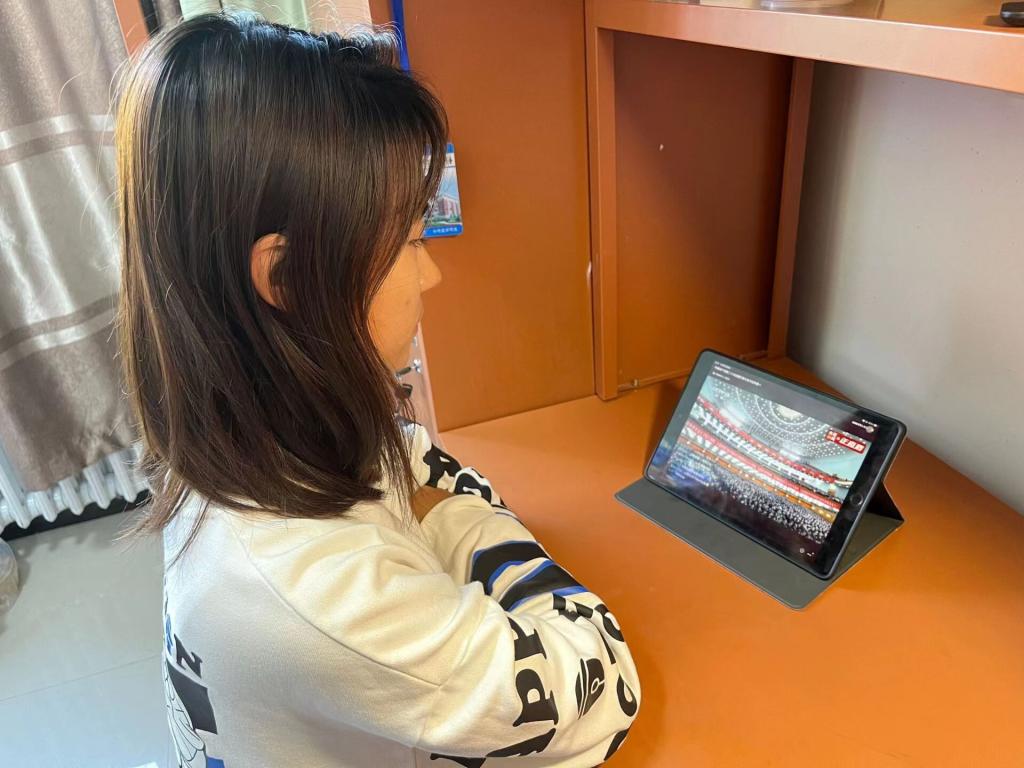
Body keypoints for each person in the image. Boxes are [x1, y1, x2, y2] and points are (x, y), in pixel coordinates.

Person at [116, 13, 640, 768]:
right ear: (288, 277)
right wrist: (459, 518)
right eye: (410, 241)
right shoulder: (323, 593)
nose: (432, 274)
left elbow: (408, 451)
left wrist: (428, 501)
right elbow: (600, 686)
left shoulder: (238, 429)